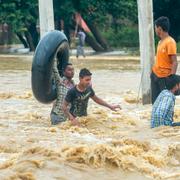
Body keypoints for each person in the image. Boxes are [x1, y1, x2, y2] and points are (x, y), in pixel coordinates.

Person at [151, 16, 178, 104]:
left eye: (155, 27)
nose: (155, 30)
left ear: (159, 28)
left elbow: (174, 62)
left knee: (165, 103)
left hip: (164, 78)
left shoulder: (170, 42)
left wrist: (171, 79)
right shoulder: (160, 42)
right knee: (155, 103)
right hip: (155, 75)